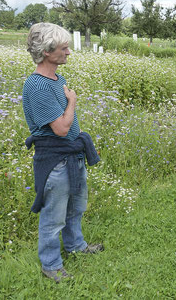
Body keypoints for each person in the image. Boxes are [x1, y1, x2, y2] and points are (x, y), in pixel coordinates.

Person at [23, 23, 103, 283]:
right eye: (63, 48)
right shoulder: (38, 87)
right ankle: (51, 264)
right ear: (47, 52)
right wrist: (72, 102)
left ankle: (75, 245)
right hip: (56, 160)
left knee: (75, 207)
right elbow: (60, 128)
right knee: (53, 216)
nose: (68, 52)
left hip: (71, 157)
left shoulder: (58, 79)